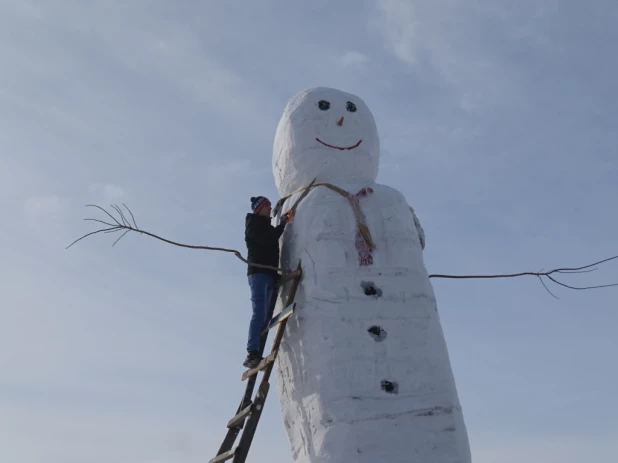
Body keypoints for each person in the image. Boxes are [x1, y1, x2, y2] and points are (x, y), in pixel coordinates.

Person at [243, 195, 289, 368]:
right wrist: (282, 225)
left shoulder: (265, 226)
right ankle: (252, 352)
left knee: (265, 316)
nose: (270, 209)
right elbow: (268, 239)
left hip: (269, 274)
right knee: (259, 313)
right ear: (259, 208)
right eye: (267, 206)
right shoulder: (253, 225)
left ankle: (257, 353)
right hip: (258, 274)